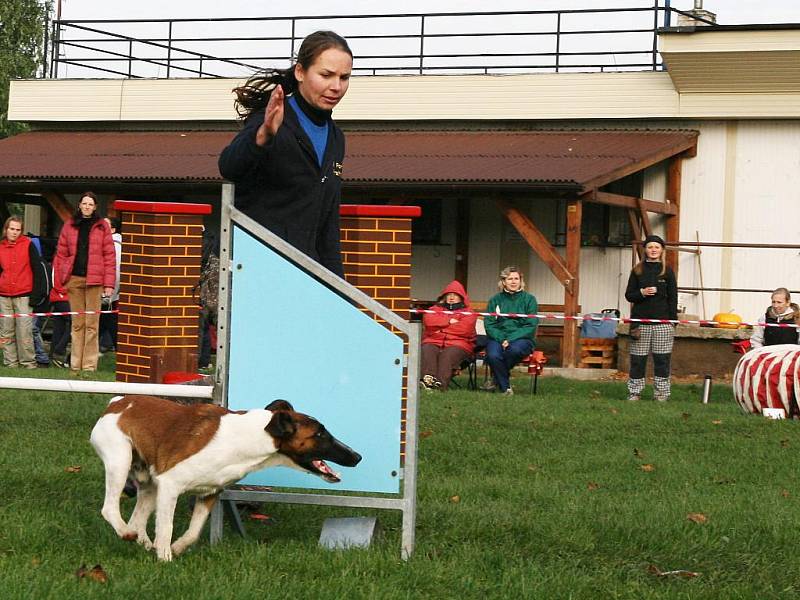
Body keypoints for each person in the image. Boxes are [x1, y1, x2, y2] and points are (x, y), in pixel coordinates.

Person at [218, 30, 353, 277]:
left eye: (344, 77)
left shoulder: (337, 138)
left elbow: (328, 225)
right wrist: (264, 135)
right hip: (256, 271)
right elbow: (229, 166)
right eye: (326, 75)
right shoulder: (272, 118)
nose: (336, 86)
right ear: (300, 72)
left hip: (304, 276)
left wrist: (339, 291)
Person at [52, 192, 116, 374]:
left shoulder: (102, 226)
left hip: (95, 281)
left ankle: (88, 366)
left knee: (92, 325)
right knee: (77, 323)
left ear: (95, 207)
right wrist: (61, 279)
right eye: (84, 203)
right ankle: (75, 365)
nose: (87, 206)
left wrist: (109, 284)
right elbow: (61, 254)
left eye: (90, 204)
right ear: (79, 205)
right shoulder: (69, 225)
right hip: (74, 279)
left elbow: (109, 257)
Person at [624, 234, 678, 402]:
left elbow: (673, 298)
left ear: (661, 250)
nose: (653, 250)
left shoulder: (667, 271)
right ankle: (635, 392)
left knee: (662, 360)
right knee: (638, 361)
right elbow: (629, 295)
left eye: (656, 247)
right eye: (650, 247)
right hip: (640, 323)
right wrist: (642, 293)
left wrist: (672, 321)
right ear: (645, 250)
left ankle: (661, 393)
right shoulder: (637, 270)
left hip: (663, 324)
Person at [0, 217, 48, 369]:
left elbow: (38, 270)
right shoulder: (0, 247)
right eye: (11, 229)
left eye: (17, 229)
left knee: (24, 331)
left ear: (21, 231)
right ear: (6, 229)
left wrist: (36, 296)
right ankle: (10, 363)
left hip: (24, 295)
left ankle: (28, 363)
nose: (14, 232)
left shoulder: (28, 245)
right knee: (6, 331)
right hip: (4, 295)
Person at [483, 266, 539, 395]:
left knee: (513, 350)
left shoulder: (529, 299)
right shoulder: (495, 300)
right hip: (498, 337)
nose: (513, 282)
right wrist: (502, 338)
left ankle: (497, 380)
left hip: (521, 339)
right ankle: (506, 388)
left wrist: (510, 339)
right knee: (493, 355)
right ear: (503, 282)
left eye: (516, 279)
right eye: (509, 279)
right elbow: (490, 324)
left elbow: (531, 325)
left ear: (521, 281)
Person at [420, 280, 477, 391]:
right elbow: (429, 321)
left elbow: (464, 329)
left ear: (462, 297)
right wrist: (450, 321)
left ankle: (440, 385)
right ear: (444, 296)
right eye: (449, 294)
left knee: (448, 355)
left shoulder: (469, 312)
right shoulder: (434, 310)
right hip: (433, 341)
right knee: (428, 350)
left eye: (455, 295)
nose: (451, 297)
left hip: (459, 344)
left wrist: (440, 330)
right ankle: (427, 382)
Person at [99, 217, 122, 353]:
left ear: (113, 229)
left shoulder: (115, 247)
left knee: (107, 323)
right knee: (106, 323)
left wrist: (109, 293)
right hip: (107, 295)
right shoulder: (105, 244)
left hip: (108, 295)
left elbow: (116, 272)